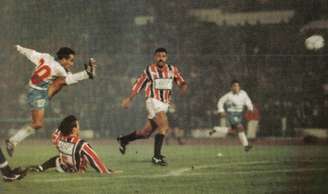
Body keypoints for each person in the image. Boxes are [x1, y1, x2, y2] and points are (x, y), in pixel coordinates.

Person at [6, 45, 96, 157]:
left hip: (35, 90)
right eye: (71, 60)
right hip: (38, 94)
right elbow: (69, 79)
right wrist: (86, 74)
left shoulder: (45, 57)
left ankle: (13, 141)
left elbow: (30, 52)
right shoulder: (60, 69)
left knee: (60, 81)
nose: (72, 64)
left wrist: (19, 48)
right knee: (38, 123)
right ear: (63, 59)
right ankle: (12, 141)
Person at [117, 48, 187, 166]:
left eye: (163, 56)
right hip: (152, 100)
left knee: (146, 133)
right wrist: (129, 98)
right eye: (159, 56)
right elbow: (138, 84)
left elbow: (180, 80)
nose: (161, 58)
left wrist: (183, 86)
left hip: (164, 104)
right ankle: (156, 157)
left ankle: (124, 140)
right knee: (164, 126)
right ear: (155, 57)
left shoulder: (172, 69)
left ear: (166, 58)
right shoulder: (149, 70)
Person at [28, 115, 112, 174]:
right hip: (76, 171)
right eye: (78, 125)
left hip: (62, 166)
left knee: (57, 159)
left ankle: (41, 167)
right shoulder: (81, 144)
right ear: (74, 128)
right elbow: (94, 159)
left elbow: (56, 134)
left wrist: (64, 124)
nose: (79, 127)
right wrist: (106, 171)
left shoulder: (58, 138)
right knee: (85, 155)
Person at [209, 80, 253, 151]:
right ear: (231, 87)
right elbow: (220, 101)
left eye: (237, 86)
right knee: (240, 127)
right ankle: (246, 145)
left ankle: (216, 129)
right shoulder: (228, 95)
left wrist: (250, 107)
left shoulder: (243, 93)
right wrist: (221, 110)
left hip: (239, 114)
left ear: (239, 87)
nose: (236, 87)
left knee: (234, 131)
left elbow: (247, 100)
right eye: (234, 86)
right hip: (231, 114)